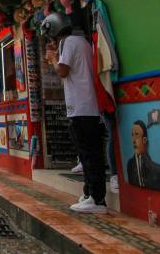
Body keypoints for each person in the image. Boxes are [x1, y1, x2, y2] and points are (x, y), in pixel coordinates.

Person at [41, 12, 106, 214]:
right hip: (88, 104)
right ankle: (90, 194)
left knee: (88, 154)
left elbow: (62, 71)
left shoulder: (68, 43)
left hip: (81, 106)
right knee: (90, 153)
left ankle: (97, 199)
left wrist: (53, 58)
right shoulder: (82, 42)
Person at [126, 120, 160, 193]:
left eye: (137, 134)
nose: (133, 140)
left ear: (144, 140)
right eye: (132, 135)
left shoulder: (158, 171)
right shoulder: (130, 165)